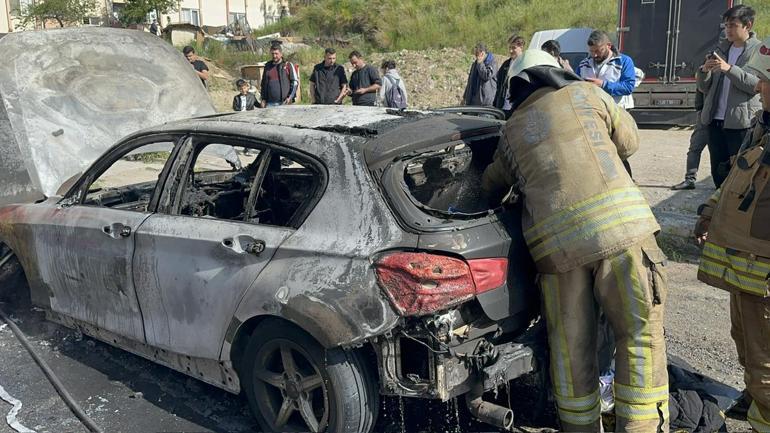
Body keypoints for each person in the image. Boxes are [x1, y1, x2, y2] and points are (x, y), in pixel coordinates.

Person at [482, 50, 669, 432]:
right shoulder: (589, 95)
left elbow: (489, 185)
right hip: (622, 236)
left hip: (557, 256)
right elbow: (630, 143)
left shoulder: (511, 131)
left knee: (571, 351)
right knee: (638, 337)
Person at [693, 35, 770, 433]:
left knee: (765, 363)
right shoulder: (763, 123)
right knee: (747, 346)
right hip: (748, 271)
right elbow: (738, 176)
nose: (760, 86)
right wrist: (709, 212)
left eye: (766, 81)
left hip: (764, 274)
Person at [697, 4, 761, 188]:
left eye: (733, 25)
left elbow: (755, 85)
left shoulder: (759, 51)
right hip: (714, 121)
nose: (728, 30)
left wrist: (729, 69)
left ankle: (735, 214)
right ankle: (718, 211)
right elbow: (703, 87)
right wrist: (704, 71)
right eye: (726, 25)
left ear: (748, 25)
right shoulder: (720, 50)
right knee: (718, 171)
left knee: (741, 174)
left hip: (741, 124)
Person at [671, 91, 709, 190]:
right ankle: (690, 179)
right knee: (694, 148)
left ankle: (722, 183)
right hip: (705, 116)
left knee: (719, 152)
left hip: (725, 118)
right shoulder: (709, 75)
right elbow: (700, 89)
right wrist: (700, 109)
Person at [259, 43, 299, 107]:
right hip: (269, 103)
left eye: (276, 53)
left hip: (284, 103)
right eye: (272, 54)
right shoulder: (267, 66)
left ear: (281, 54)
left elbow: (295, 82)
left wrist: (290, 97)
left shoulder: (288, 65)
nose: (274, 56)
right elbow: (263, 84)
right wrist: (263, 99)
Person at [494, 35, 525, 111]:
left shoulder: (526, 64)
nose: (510, 51)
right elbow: (498, 84)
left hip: (518, 108)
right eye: (509, 48)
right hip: (502, 106)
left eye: (513, 48)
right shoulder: (506, 64)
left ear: (521, 47)